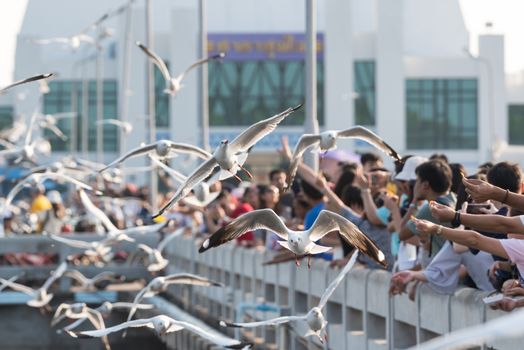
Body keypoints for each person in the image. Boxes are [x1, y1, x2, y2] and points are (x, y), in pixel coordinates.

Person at [399, 159, 456, 263]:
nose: (414, 186)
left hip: (444, 271)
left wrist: (414, 201)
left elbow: (402, 234)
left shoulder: (431, 209)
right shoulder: (454, 200)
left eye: (417, 181)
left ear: (425, 185)